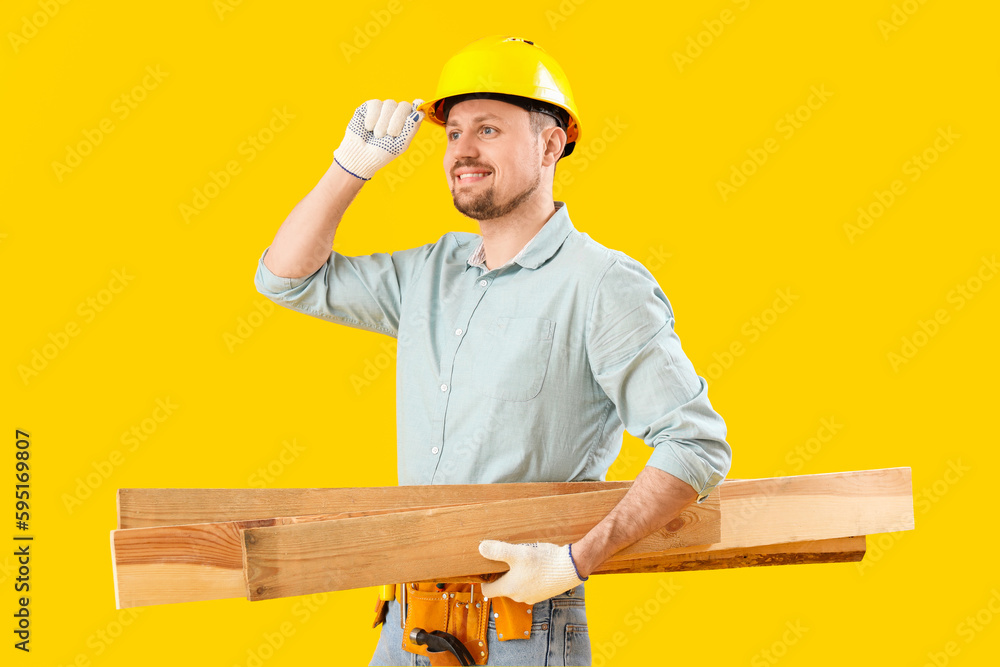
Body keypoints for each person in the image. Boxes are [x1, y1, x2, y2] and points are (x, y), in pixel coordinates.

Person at [254, 35, 731, 667]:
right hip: (406, 620)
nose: (464, 152)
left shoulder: (602, 285)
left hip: (520, 624)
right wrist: (351, 166)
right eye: (453, 134)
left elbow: (696, 445)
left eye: (488, 129)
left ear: (551, 142)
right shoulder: (433, 271)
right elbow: (286, 278)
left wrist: (571, 562)